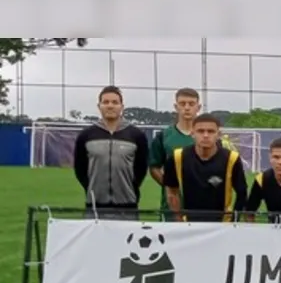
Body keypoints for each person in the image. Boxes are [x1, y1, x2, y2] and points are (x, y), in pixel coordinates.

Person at [73, 85, 149, 220]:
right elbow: (80, 169)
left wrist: (130, 188)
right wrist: (92, 189)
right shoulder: (86, 135)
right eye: (106, 102)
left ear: (122, 106)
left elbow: (141, 169)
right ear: (99, 106)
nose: (110, 106)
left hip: (128, 207)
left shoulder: (136, 135)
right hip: (95, 207)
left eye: (115, 102)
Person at [162, 114, 248, 222]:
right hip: (189, 223)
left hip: (222, 224)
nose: (206, 135)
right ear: (192, 133)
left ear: (218, 134)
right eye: (200, 131)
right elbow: (171, 191)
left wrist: (234, 221)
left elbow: (242, 193)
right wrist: (179, 219)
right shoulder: (177, 157)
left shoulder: (232, 158)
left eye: (211, 131)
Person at [149, 88, 202, 219]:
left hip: (202, 205)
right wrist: (169, 185)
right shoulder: (164, 136)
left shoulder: (206, 136)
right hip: (171, 207)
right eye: (182, 104)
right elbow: (154, 167)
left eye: (191, 104)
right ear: (176, 106)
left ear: (198, 107)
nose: (187, 108)